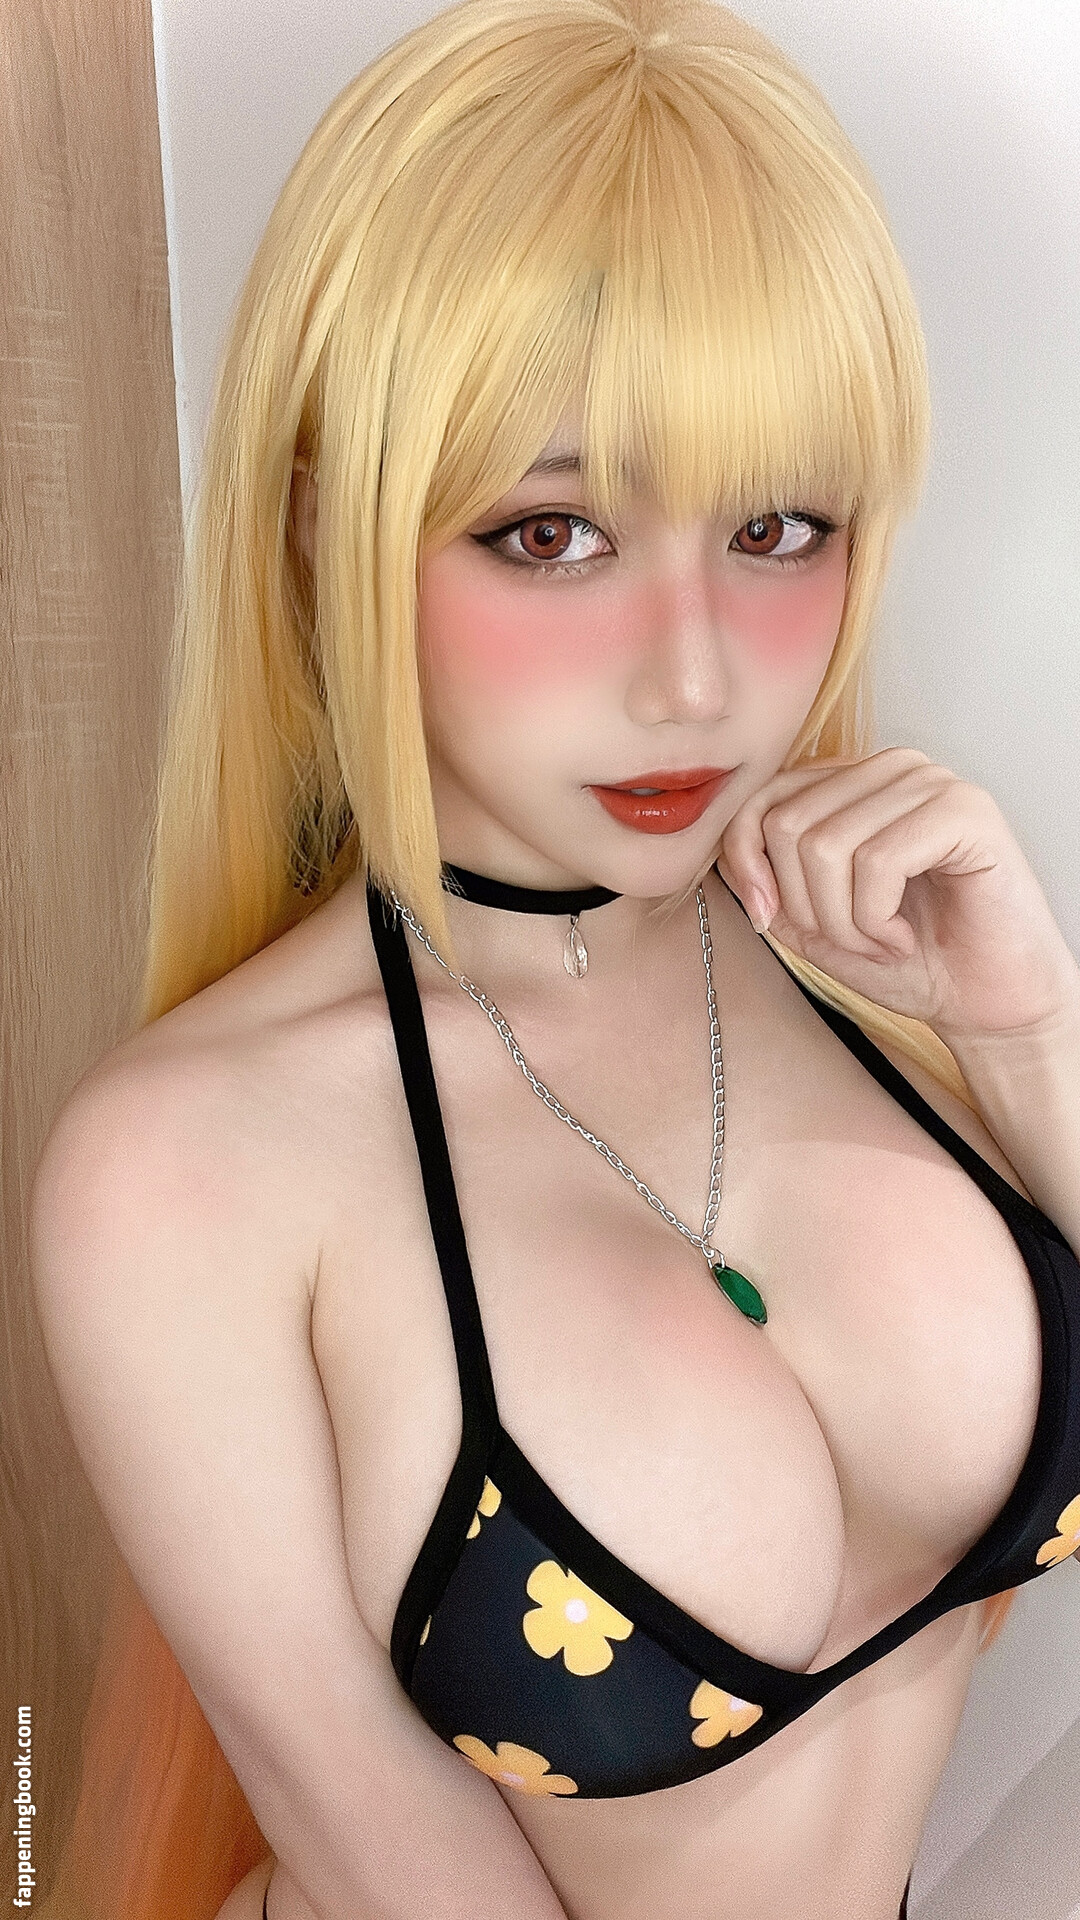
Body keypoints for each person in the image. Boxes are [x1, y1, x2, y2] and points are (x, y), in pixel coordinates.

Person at [28, 1, 1080, 1917]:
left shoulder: (876, 957)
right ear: (321, 528)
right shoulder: (189, 1168)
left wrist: (1032, 1038)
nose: (696, 677)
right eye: (550, 535)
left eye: (779, 525)